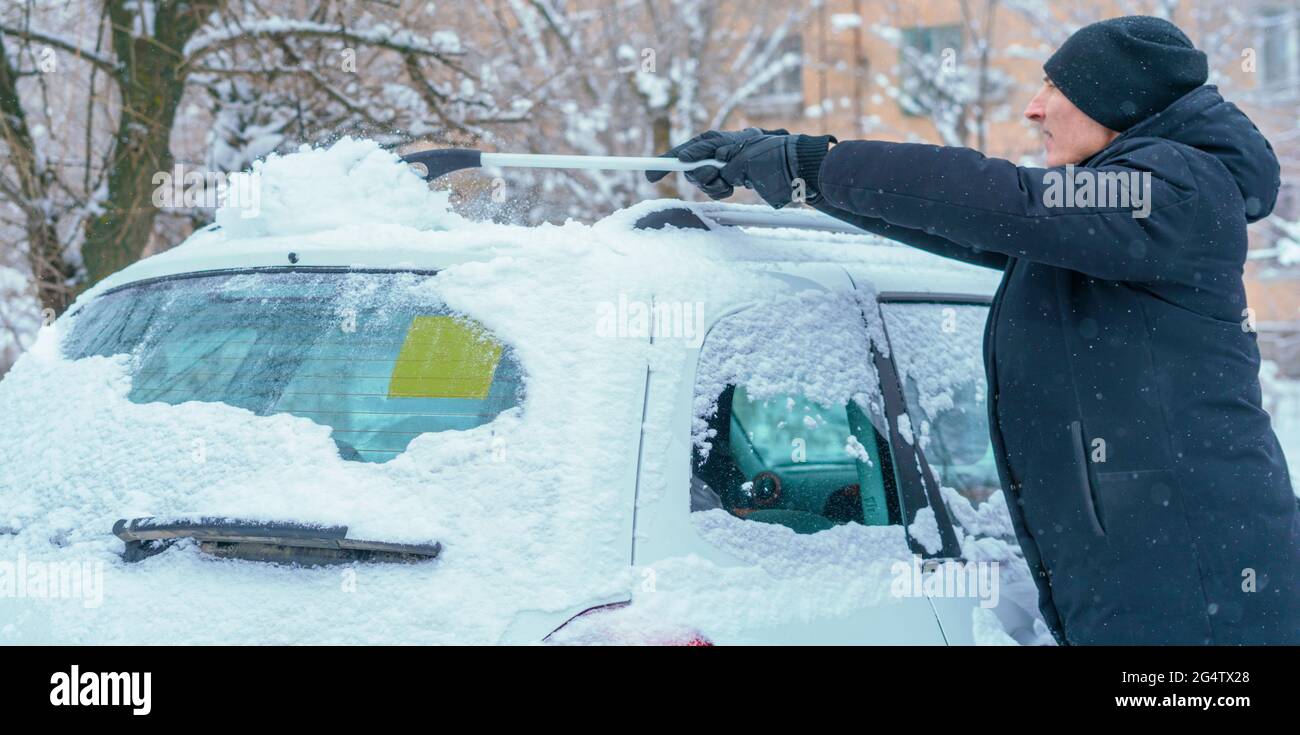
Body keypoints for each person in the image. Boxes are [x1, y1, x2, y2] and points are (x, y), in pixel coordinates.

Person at [650, 15, 1300, 645]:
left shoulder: (1174, 194)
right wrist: (797, 177)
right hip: (1158, 580)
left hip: (1202, 594)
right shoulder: (1115, 220)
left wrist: (814, 162)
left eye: (1057, 89)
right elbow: (956, 218)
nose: (1034, 108)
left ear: (1116, 105)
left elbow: (1004, 201)